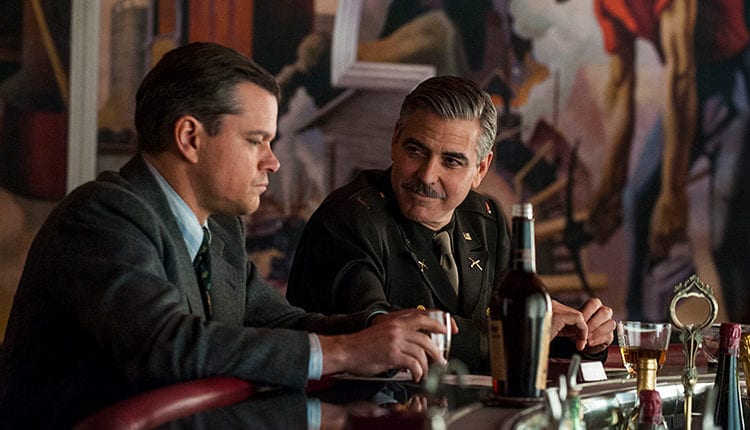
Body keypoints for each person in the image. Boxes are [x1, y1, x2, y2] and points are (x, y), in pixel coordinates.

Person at [0, 42, 452, 428]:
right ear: (190, 138)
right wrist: (347, 353)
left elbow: (280, 322)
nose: (273, 161)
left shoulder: (219, 226)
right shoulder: (102, 216)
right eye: (256, 140)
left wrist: (377, 330)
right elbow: (167, 347)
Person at [286, 75, 615, 372]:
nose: (427, 175)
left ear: (481, 169)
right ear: (395, 140)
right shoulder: (348, 219)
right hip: (360, 410)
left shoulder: (486, 218)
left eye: (452, 161)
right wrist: (526, 329)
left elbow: (515, 338)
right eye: (416, 150)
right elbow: (381, 338)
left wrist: (581, 336)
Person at [586, 0, 750, 321]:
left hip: (736, 75)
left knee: (729, 227)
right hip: (692, 85)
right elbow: (620, 86)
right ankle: (641, 334)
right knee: (638, 202)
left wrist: (673, 194)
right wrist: (610, 187)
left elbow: (681, 74)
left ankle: (739, 342)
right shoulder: (608, 4)